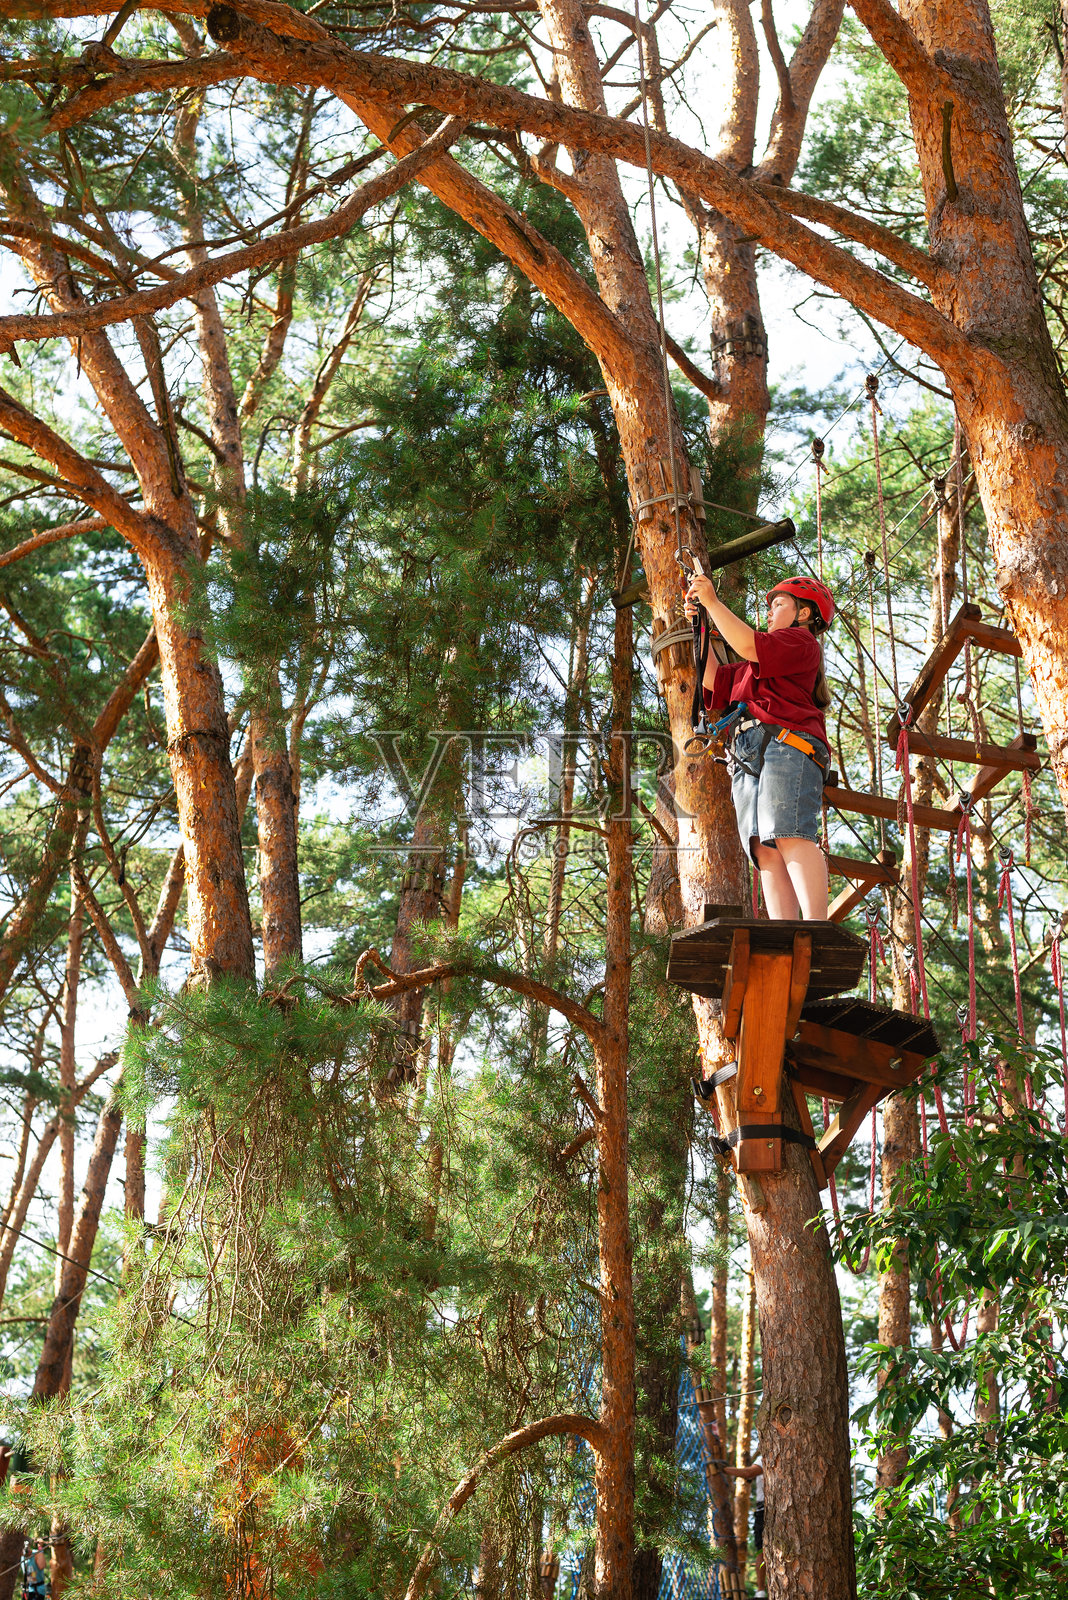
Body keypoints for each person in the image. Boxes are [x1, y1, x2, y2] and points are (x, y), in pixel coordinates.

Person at [684, 572, 835, 920]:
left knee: (788, 833)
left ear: (803, 614)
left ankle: (816, 926)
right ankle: (785, 931)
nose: (769, 611)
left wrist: (712, 602)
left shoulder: (801, 642)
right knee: (763, 848)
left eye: (778, 604)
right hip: (748, 754)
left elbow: (750, 644)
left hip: (788, 745)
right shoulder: (751, 668)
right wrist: (700, 626)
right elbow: (713, 679)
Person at [721, 1457, 766, 1598]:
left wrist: (724, 1469)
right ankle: (762, 1590)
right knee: (763, 1551)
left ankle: (761, 1590)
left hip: (764, 1511)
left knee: (761, 1551)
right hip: (769, 1509)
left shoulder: (764, 1458)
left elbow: (748, 1473)